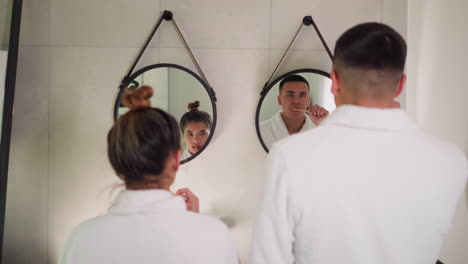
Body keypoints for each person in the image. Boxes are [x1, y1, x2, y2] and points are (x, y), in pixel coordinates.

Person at [249, 22, 467, 264]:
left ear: (334, 82)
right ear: (401, 84)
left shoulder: (288, 157)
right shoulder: (451, 160)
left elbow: (267, 259)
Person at [60, 89, 238, 264]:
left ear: (116, 163)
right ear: (176, 160)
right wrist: (197, 225)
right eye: (189, 134)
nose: (195, 139)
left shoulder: (81, 240)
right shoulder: (214, 235)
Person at [259, 75, 329, 150]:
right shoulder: (260, 131)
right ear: (279, 100)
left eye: (302, 95)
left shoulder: (320, 130)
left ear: (308, 101)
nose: (296, 101)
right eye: (290, 95)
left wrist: (327, 124)